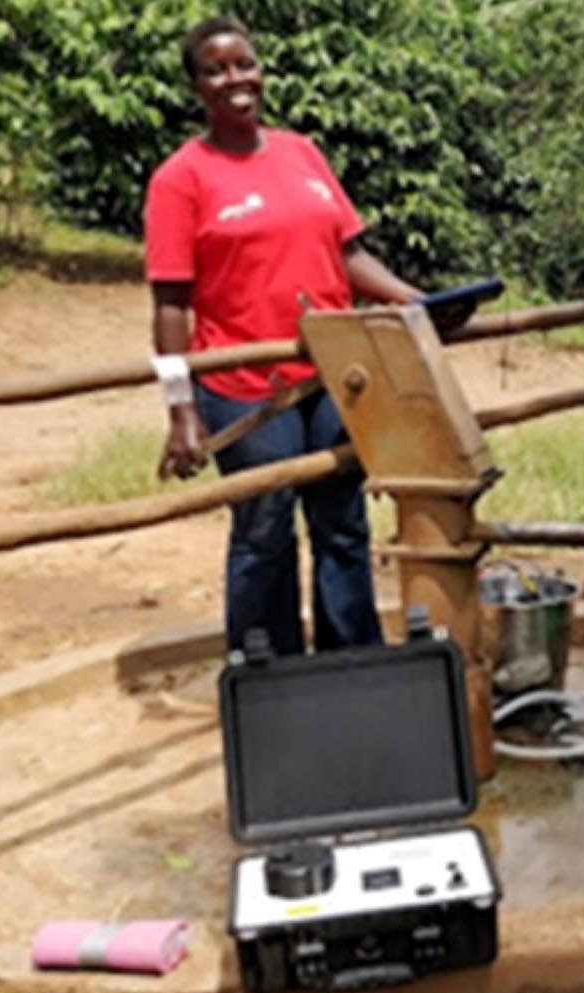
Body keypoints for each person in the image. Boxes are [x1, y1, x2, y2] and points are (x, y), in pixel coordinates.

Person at [143, 15, 423, 657]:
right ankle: (266, 677)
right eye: (215, 70)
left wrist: (411, 299)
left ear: (260, 70)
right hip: (243, 387)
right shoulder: (180, 179)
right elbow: (169, 305)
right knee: (265, 532)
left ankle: (353, 662)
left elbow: (348, 252)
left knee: (342, 523)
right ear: (196, 88)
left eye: (243, 63)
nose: (234, 79)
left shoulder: (301, 153)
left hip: (332, 376)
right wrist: (181, 409)